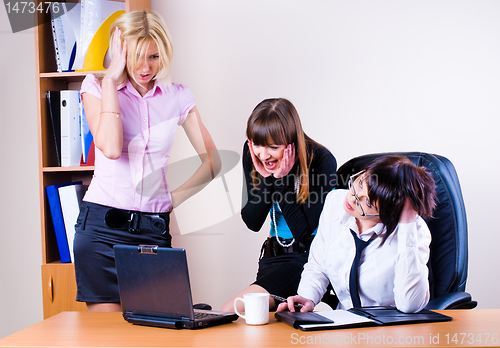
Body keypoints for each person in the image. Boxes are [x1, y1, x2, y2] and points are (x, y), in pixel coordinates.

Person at [74, 10, 221, 312]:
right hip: (101, 231)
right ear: (120, 51)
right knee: (110, 340)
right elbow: (111, 148)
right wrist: (112, 79)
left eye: (153, 56)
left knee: (158, 333)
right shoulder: (96, 88)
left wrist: (171, 199)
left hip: (151, 230)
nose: (145, 67)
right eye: (137, 56)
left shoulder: (178, 97)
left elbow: (212, 162)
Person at [277, 155, 437, 314]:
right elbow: (318, 266)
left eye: (367, 202)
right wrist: (307, 297)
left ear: (389, 213)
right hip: (343, 324)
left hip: (388, 330)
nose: (353, 197)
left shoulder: (415, 233)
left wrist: (406, 226)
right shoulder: (335, 203)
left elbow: (410, 305)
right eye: (360, 183)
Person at [221, 98, 337, 312]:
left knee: (232, 310)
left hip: (306, 260)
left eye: (273, 147)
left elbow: (303, 231)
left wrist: (280, 180)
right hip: (271, 259)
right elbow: (252, 221)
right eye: (257, 144)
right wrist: (268, 179)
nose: (263, 155)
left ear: (291, 142)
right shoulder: (253, 155)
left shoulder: (321, 160)